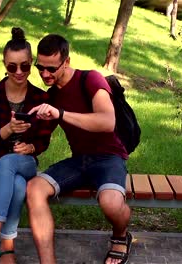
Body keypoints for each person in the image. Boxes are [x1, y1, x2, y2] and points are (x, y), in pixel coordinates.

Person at [27, 34, 132, 264]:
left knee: (111, 203)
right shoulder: (53, 94)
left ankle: (121, 236)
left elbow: (107, 122)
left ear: (66, 61)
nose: (45, 74)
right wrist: (29, 144)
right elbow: (43, 137)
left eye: (51, 68)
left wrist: (61, 113)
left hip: (109, 158)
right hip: (79, 161)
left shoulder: (90, 79)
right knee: (34, 188)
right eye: (40, 68)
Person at [0, 27, 56, 264]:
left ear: (31, 62)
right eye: (12, 66)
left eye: (25, 66)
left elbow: (43, 139)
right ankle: (7, 249)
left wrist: (31, 148)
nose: (18, 72)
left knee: (12, 165)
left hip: (23, 161)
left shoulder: (40, 98)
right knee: (14, 184)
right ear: (4, 64)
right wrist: (8, 130)